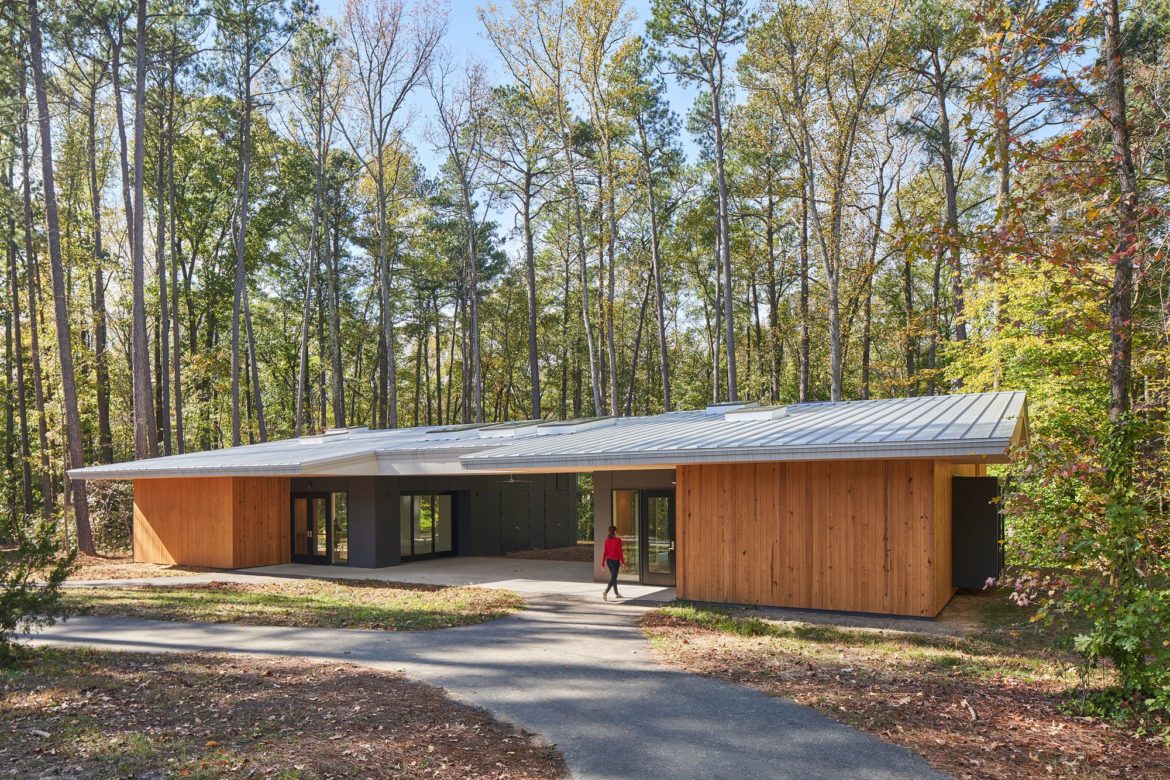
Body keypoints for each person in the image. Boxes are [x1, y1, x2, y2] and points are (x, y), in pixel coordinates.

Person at [602, 525, 624, 600]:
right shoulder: (618, 540)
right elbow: (620, 552)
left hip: (609, 561)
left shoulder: (607, 540)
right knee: (614, 577)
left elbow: (605, 552)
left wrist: (602, 563)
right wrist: (623, 562)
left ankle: (616, 593)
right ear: (615, 531)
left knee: (613, 577)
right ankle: (606, 592)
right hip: (615, 561)